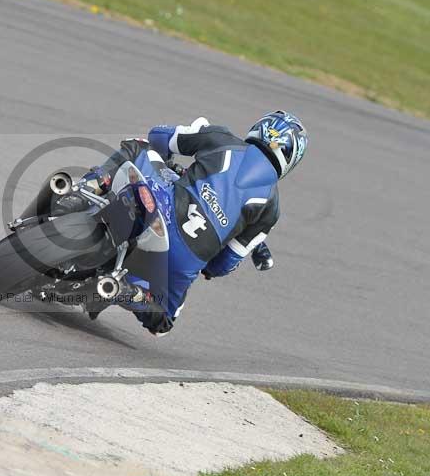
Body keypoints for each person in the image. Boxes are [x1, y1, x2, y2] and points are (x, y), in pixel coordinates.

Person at [80, 111, 308, 335]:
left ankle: (87, 187)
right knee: (163, 322)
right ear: (291, 158)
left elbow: (158, 136)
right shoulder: (271, 208)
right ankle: (129, 293)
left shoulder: (222, 139)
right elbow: (222, 265)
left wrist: (168, 155)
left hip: (164, 211)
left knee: (138, 146)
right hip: (186, 259)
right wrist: (206, 264)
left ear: (260, 128)